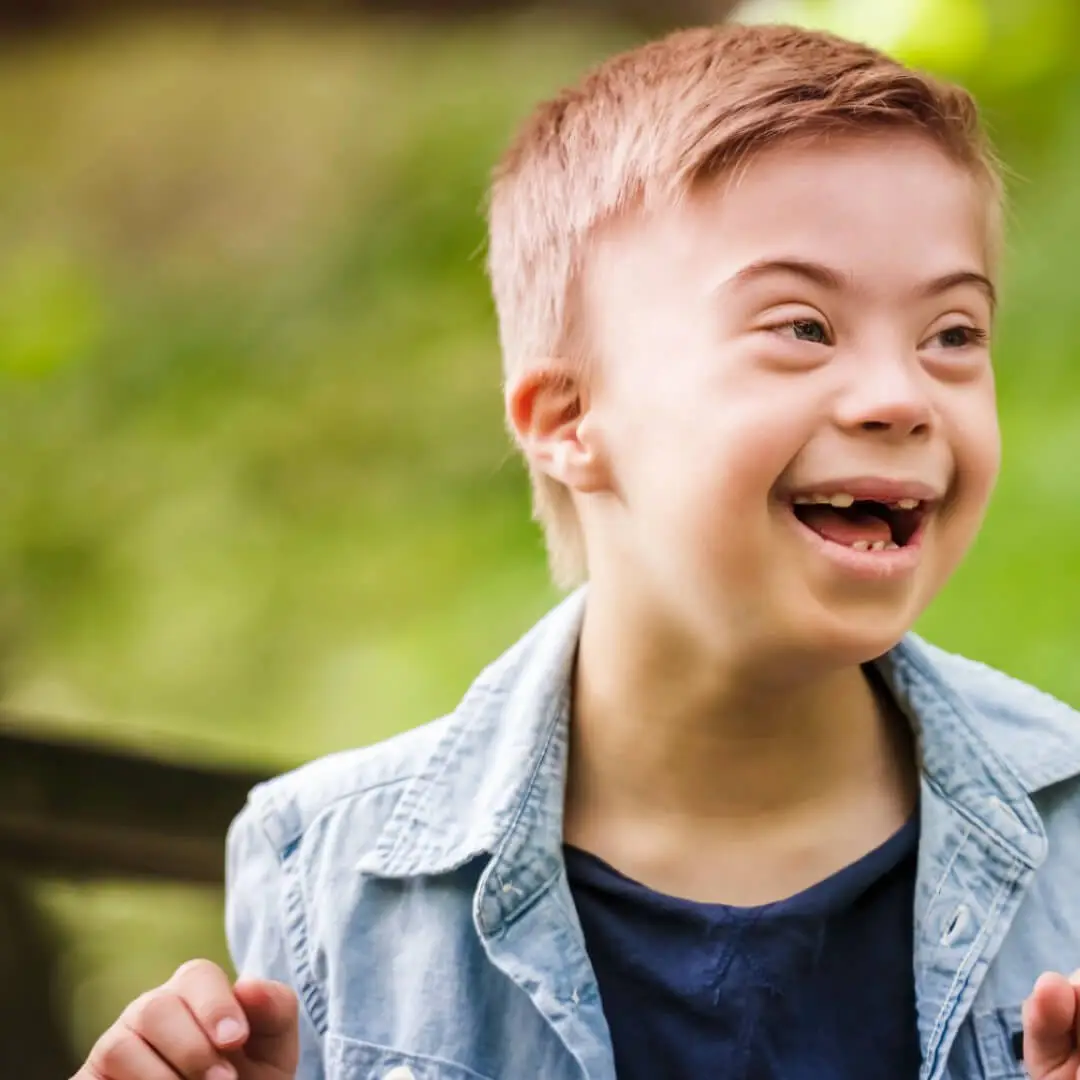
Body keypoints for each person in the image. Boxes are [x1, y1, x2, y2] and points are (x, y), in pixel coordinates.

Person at [74, 22, 1080, 1080]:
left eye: (953, 335)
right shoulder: (327, 874)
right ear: (567, 420)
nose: (899, 396)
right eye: (803, 328)